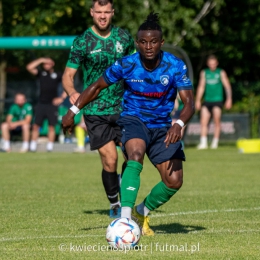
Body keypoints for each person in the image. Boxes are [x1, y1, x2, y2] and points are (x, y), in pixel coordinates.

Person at [62, 12, 195, 236]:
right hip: (133, 120)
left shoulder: (175, 66)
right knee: (134, 155)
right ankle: (124, 221)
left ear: (161, 42)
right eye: (143, 42)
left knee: (174, 181)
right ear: (137, 43)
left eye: (153, 42)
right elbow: (96, 87)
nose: (148, 46)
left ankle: (141, 211)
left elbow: (189, 102)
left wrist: (179, 123)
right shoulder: (127, 64)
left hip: (163, 126)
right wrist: (73, 110)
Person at [62, 0, 135, 218]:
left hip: (124, 107)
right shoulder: (82, 41)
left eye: (106, 12)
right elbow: (68, 76)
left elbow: (135, 67)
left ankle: (126, 198)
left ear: (112, 13)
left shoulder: (124, 38)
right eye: (98, 12)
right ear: (92, 13)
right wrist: (73, 93)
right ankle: (115, 203)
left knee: (133, 156)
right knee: (110, 160)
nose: (102, 16)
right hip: (95, 109)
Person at [26, 57, 67, 152]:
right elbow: (29, 67)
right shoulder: (41, 74)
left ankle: (50, 147)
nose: (46, 65)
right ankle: (32, 147)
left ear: (52, 64)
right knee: (36, 125)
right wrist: (41, 60)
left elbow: (68, 83)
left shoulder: (57, 75)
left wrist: (62, 97)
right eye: (44, 64)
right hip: (41, 103)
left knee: (51, 126)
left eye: (48, 63)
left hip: (52, 104)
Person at [195, 55, 232, 149]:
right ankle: (203, 143)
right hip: (207, 101)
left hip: (217, 100)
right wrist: (198, 100)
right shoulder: (204, 73)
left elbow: (227, 86)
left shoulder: (221, 72)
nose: (212, 66)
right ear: (208, 64)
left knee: (217, 121)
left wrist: (229, 99)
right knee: (203, 121)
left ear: (217, 63)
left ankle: (215, 143)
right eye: (210, 64)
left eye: (214, 64)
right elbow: (201, 87)